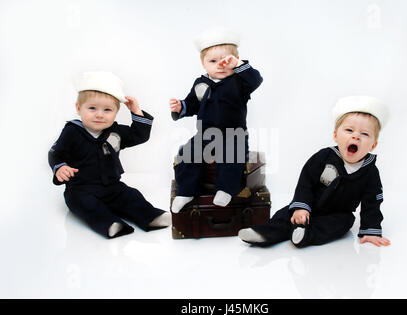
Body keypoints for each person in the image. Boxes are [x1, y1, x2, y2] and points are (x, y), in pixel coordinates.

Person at [239, 96, 391, 248]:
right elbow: (306, 182)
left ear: (373, 144)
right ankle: (265, 233)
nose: (356, 136)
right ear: (336, 136)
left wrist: (371, 230)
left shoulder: (370, 172)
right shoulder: (324, 157)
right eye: (349, 130)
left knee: (342, 224)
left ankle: (304, 235)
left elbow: (372, 201)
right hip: (310, 204)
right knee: (286, 214)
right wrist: (301, 206)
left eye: (365, 134)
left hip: (338, 214)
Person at [48, 71, 170, 239]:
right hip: (81, 189)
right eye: (92, 108)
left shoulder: (115, 131)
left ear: (116, 112)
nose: (99, 115)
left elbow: (139, 135)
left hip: (112, 187)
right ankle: (110, 224)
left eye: (107, 110)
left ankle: (150, 216)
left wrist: (136, 111)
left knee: (131, 196)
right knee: (87, 205)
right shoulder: (72, 131)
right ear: (78, 108)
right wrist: (60, 167)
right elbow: (55, 153)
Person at [169, 28, 263, 213]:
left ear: (234, 62)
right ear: (203, 64)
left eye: (225, 61)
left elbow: (255, 80)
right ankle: (186, 191)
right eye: (213, 61)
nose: (220, 65)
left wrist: (239, 65)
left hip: (234, 134)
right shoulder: (200, 83)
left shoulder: (240, 82)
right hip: (205, 133)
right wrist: (181, 107)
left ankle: (226, 189)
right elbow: (192, 104)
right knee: (187, 154)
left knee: (231, 158)